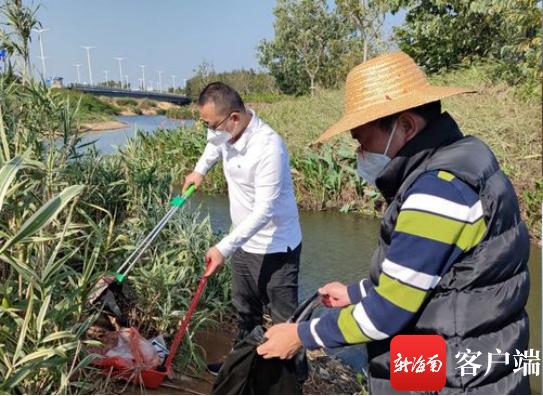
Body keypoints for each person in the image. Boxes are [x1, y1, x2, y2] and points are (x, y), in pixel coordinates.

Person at [256, 51, 531, 394]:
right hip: (469, 356)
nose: (360, 153)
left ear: (405, 125)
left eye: (363, 141)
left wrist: (300, 334)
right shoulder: (467, 160)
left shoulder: (437, 192)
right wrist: (355, 292)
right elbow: (437, 276)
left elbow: (388, 311)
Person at [182, 82, 303, 372]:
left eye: (213, 125)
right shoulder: (227, 133)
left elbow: (264, 210)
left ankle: (291, 381)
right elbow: (213, 148)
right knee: (245, 311)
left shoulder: (268, 147)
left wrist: (223, 248)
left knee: (286, 322)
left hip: (277, 247)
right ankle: (241, 369)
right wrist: (199, 171)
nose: (211, 132)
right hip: (243, 242)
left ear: (234, 118)